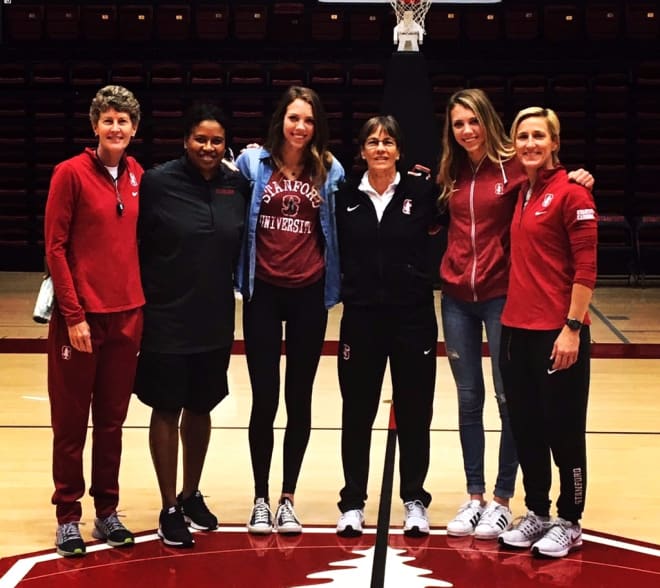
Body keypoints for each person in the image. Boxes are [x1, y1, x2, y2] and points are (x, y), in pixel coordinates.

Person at [436, 89, 594, 540]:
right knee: (494, 409)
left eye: (474, 121)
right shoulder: (469, 176)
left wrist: (573, 327)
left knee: (536, 416)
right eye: (458, 123)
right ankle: (498, 502)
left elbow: (583, 258)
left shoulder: (526, 179)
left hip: (521, 309)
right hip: (481, 311)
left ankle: (535, 508)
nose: (467, 130)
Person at [135, 103, 248, 548]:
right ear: (185, 140)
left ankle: (190, 493)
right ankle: (167, 507)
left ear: (225, 146)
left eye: (216, 140)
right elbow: (135, 242)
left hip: (215, 317)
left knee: (201, 407)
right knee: (166, 408)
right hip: (165, 316)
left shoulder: (235, 185)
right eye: (200, 139)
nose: (207, 147)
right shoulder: (158, 183)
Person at [235, 86, 345, 535]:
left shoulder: (330, 170)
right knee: (264, 398)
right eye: (294, 118)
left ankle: (287, 498)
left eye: (309, 120)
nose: (300, 127)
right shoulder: (250, 164)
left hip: (308, 293)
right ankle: (260, 497)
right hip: (263, 291)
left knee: (298, 399)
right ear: (281, 119)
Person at [44, 85, 144, 557]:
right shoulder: (69, 174)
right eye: (109, 120)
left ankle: (107, 511)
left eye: (124, 121)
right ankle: (68, 514)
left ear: (134, 129)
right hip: (80, 321)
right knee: (69, 422)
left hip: (127, 317)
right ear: (95, 126)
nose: (116, 128)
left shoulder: (139, 176)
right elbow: (55, 248)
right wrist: (73, 315)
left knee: (111, 422)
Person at [498, 107, 597, 558]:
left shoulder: (573, 194)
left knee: (564, 431)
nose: (531, 144)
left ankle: (569, 519)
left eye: (540, 136)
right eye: (523, 136)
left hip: (558, 333)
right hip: (515, 331)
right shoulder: (521, 190)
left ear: (555, 142)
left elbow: (587, 269)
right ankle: (536, 510)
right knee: (527, 428)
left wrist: (572, 329)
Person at [334, 115, 438, 538]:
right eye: (372, 142)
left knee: (415, 411)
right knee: (357, 412)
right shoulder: (344, 197)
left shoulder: (423, 191)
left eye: (388, 142)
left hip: (412, 317)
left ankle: (415, 499)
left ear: (399, 150)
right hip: (361, 319)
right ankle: (353, 502)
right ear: (361, 151)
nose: (380, 148)